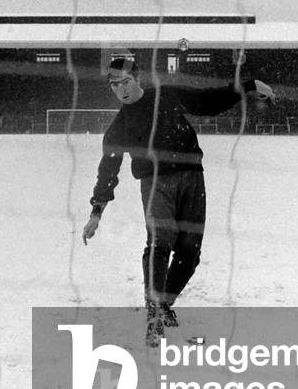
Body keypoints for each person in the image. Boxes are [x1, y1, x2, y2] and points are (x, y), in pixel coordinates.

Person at [81, 57, 276, 345]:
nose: (121, 90)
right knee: (160, 243)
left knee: (190, 252)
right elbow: (108, 169)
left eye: (125, 82)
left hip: (192, 178)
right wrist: (97, 211)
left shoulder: (166, 95)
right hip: (156, 183)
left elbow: (207, 102)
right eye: (114, 86)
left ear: (137, 78)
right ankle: (154, 312)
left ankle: (164, 304)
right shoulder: (119, 126)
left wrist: (247, 85)